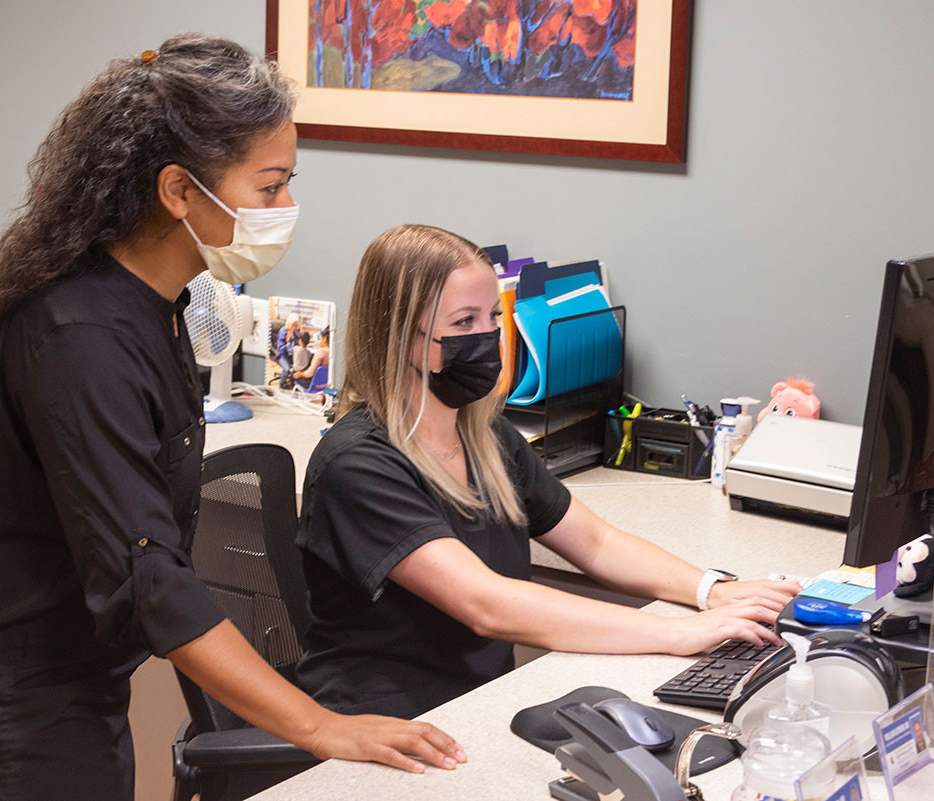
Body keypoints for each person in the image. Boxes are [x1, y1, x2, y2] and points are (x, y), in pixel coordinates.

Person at [0, 38, 463, 801]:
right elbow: (146, 574)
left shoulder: (168, 308)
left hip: (76, 680)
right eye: (268, 187)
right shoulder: (80, 337)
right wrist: (319, 723)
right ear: (179, 192)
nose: (284, 210)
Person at [294, 224, 802, 719]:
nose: (489, 336)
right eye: (464, 322)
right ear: (398, 336)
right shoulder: (358, 464)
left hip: (475, 704)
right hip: (385, 725)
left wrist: (709, 591)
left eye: (492, 316)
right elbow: (485, 604)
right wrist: (679, 634)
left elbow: (596, 542)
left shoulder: (484, 435)